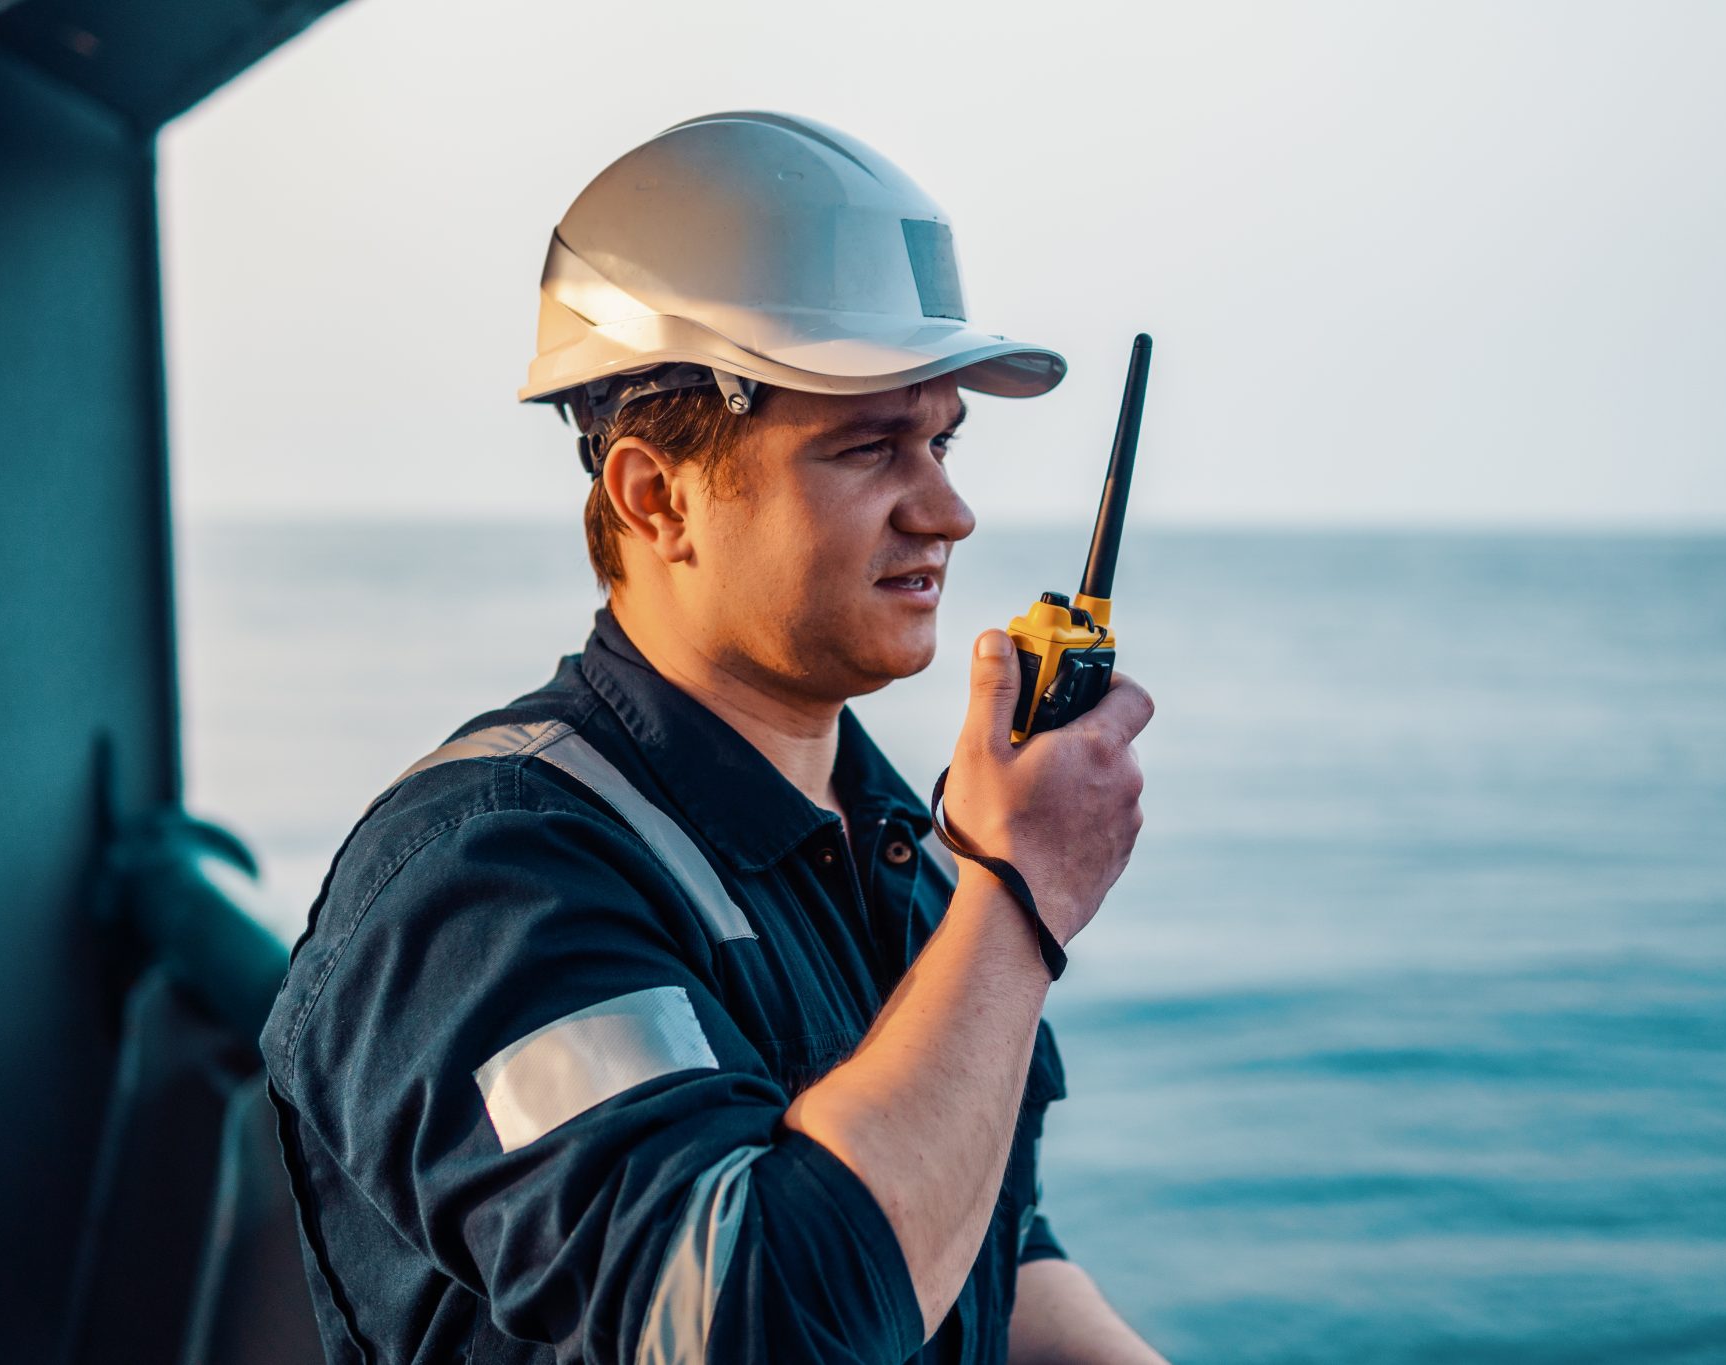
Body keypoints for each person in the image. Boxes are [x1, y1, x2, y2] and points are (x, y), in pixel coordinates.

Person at [261, 111, 1164, 1364]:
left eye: (943, 440)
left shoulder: (904, 847)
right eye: (867, 446)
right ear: (656, 495)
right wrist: (1020, 898)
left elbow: (985, 1239)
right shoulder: (479, 889)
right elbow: (747, 1324)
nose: (948, 510)